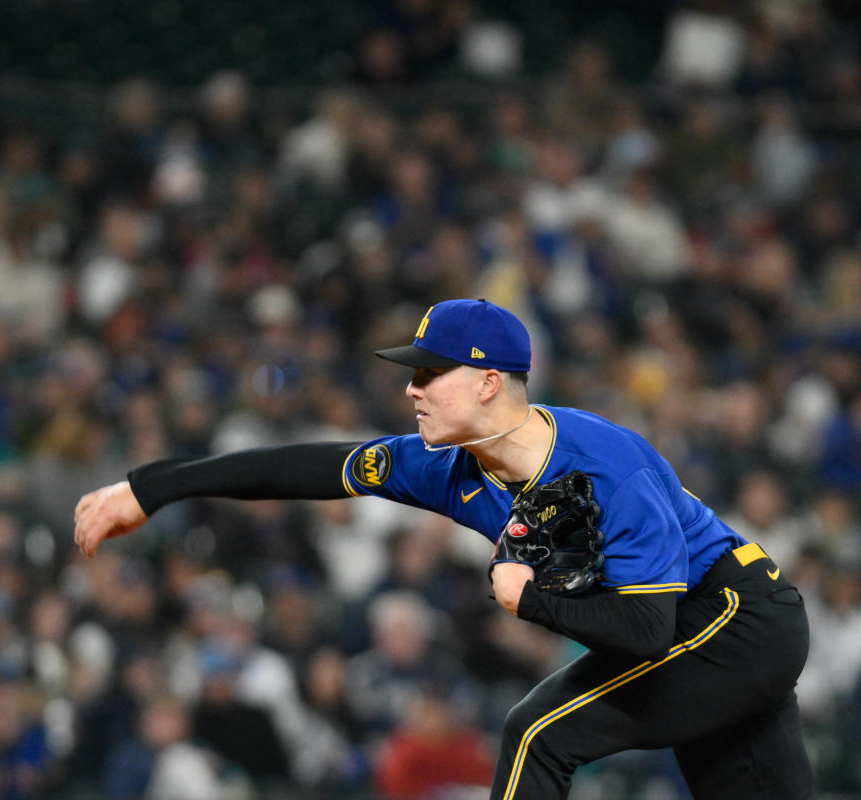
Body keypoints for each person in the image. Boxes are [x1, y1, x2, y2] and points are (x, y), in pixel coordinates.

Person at [74, 298, 813, 799]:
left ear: (490, 382)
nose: (412, 390)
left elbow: (648, 635)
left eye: (430, 373)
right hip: (691, 636)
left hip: (732, 618)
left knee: (538, 734)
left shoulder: (610, 468)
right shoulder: (441, 464)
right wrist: (154, 487)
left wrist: (534, 600)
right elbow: (302, 468)